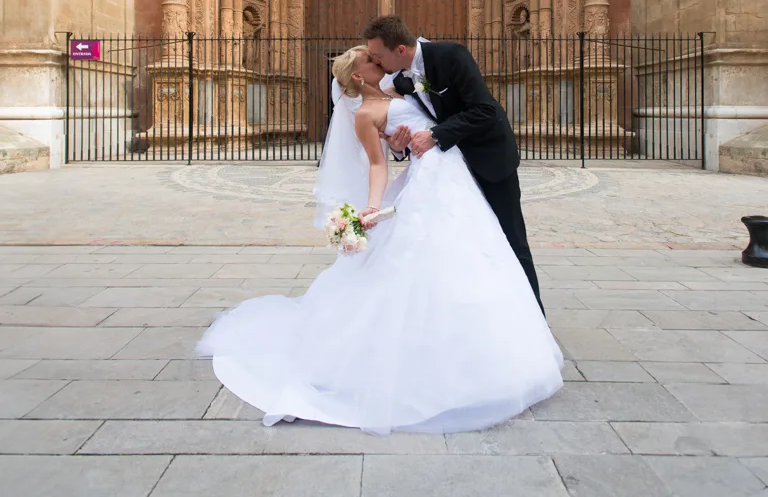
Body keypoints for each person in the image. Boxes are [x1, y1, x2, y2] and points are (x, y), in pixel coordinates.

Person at [197, 44, 562, 435]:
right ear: (358, 76)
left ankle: (506, 340)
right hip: (428, 185)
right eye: (371, 62)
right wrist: (373, 205)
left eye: (377, 57)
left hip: (453, 176)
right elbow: (377, 164)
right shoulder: (365, 114)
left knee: (483, 254)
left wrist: (402, 142)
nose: (380, 63)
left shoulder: (401, 88)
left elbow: (433, 120)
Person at [365, 14, 543, 310]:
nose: (376, 61)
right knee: (472, 243)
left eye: (378, 55)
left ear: (399, 50)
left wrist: (436, 134)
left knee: (511, 240)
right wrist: (399, 147)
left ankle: (535, 316)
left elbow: (485, 110)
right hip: (452, 170)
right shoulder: (400, 79)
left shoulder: (451, 55)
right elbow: (416, 123)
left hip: (490, 158)